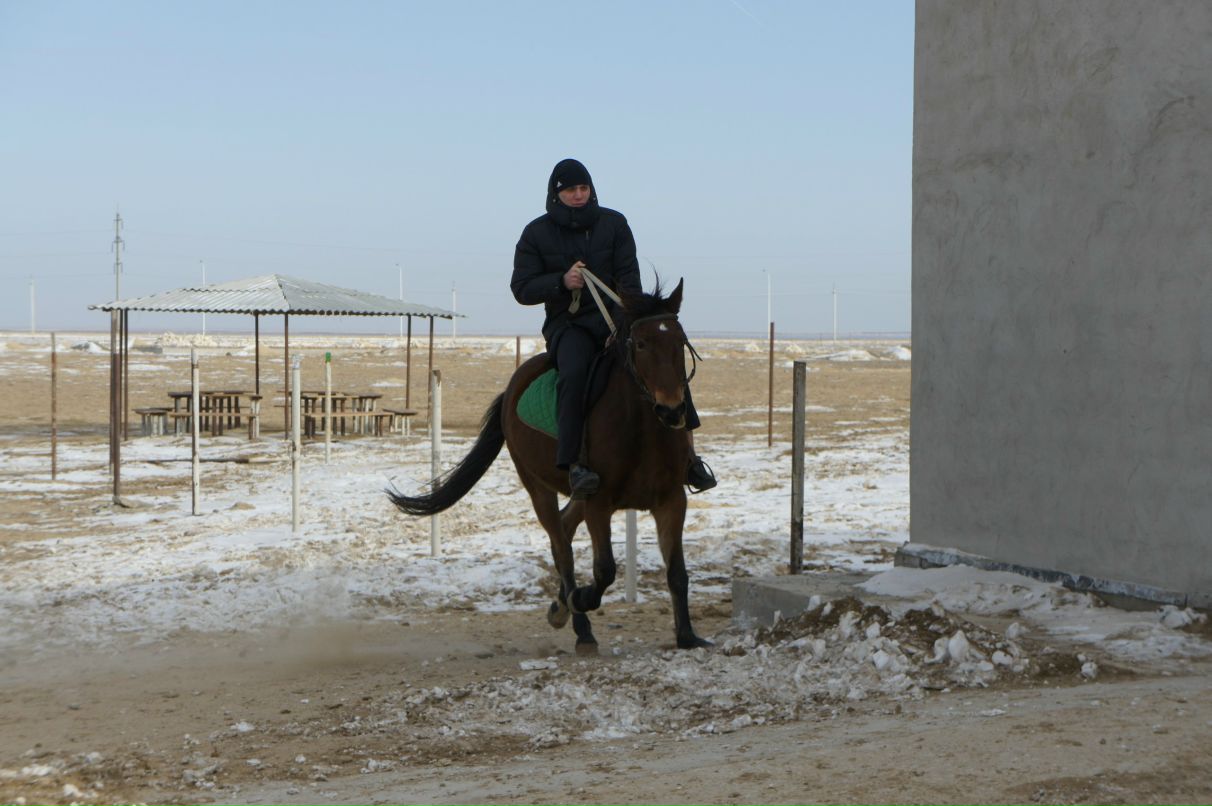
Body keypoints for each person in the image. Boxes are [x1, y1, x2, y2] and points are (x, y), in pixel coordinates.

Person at [511, 157, 717, 499]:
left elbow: (629, 279)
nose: (578, 195)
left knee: (664, 358)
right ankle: (575, 464)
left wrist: (627, 322)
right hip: (569, 325)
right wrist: (562, 281)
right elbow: (522, 288)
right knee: (574, 372)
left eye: (583, 188)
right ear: (556, 194)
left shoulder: (615, 224)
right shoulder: (536, 233)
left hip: (617, 320)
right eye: (570, 190)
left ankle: (689, 458)